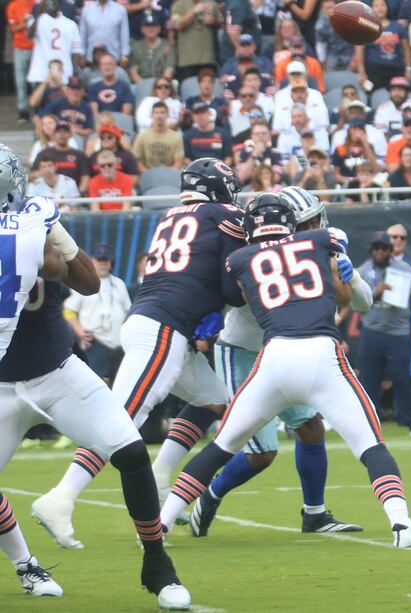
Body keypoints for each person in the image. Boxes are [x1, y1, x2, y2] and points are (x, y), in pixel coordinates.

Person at [159, 193, 411, 549]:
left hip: (274, 356)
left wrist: (348, 278)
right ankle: (401, 524)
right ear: (293, 222)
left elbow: (236, 284)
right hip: (304, 352)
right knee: (369, 444)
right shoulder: (325, 241)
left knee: (223, 445)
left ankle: (160, 525)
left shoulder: (241, 256)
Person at [0, 144, 189, 608]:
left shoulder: (32, 222)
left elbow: (88, 282)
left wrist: (57, 240)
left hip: (55, 372)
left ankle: (158, 566)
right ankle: (27, 564)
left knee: (129, 449)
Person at [31, 158, 248, 549]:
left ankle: (161, 475)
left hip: (154, 321)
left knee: (216, 400)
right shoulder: (225, 214)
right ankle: (62, 497)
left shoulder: (171, 215)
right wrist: (221, 305)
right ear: (219, 187)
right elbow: (232, 287)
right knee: (122, 418)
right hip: (163, 328)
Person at [190, 187, 369, 538]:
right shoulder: (251, 252)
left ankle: (314, 514)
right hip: (243, 350)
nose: (318, 226)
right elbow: (227, 292)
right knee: (262, 454)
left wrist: (352, 274)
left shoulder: (317, 251)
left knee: (311, 429)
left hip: (288, 353)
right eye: (310, 222)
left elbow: (364, 303)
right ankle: (208, 495)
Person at [357, 232, 411, 435]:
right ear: (372, 250)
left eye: (383, 248)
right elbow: (358, 303)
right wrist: (375, 292)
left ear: (390, 250)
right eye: (376, 248)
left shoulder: (403, 269)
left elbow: (404, 298)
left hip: (398, 330)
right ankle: (369, 424)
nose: (379, 251)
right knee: (369, 379)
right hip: (372, 330)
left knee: (401, 377)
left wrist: (387, 292)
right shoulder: (363, 270)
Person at [63, 243, 131, 383]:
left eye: (107, 260)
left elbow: (128, 311)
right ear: (92, 261)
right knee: (96, 383)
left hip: (118, 344)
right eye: (100, 260)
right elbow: (68, 311)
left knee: (119, 383)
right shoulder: (84, 283)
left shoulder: (119, 284)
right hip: (95, 343)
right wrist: (79, 331)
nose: (104, 264)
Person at [354, 0, 411, 91]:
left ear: (387, 7)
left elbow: (406, 49)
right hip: (374, 71)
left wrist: (409, 69)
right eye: (376, 6)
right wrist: (361, 73)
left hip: (396, 69)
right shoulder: (365, 27)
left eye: (382, 5)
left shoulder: (398, 27)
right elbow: (359, 51)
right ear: (371, 9)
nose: (379, 8)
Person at [26, 0, 83, 86]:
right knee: (41, 99)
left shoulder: (70, 23)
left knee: (62, 99)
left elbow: (75, 51)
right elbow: (29, 35)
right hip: (42, 72)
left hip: (64, 71)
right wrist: (39, 14)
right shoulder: (39, 20)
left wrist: (74, 71)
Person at [31, 120, 91, 195]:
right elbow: (32, 175)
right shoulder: (43, 153)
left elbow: (85, 177)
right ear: (53, 134)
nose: (62, 134)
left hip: (71, 195)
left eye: (65, 131)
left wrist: (79, 195)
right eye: (58, 132)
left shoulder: (80, 155)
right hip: (47, 194)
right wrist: (45, 172)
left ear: (70, 134)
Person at [171, 0, 223, 81]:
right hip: (187, 60)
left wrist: (214, 21)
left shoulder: (211, 3)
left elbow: (222, 23)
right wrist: (193, 11)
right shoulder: (179, 4)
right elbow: (178, 25)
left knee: (209, 88)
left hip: (207, 59)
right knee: (189, 88)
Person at [132, 102, 185, 170]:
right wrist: (147, 173)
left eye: (162, 112)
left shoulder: (176, 137)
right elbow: (136, 160)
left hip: (169, 176)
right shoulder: (142, 136)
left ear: (167, 115)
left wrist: (167, 175)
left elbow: (179, 162)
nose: (159, 115)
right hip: (147, 175)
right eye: (156, 112)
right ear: (152, 115)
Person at [6, 0, 35, 122]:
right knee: (20, 80)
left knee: (35, 80)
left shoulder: (36, 3)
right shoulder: (13, 5)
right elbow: (13, 28)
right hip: (20, 47)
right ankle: (23, 110)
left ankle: (35, 108)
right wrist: (24, 24)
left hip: (36, 47)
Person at [128, 12, 177, 83]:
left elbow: (169, 71)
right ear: (142, 29)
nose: (150, 29)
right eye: (147, 26)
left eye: (153, 26)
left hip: (163, 85)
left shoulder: (167, 45)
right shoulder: (136, 47)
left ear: (159, 28)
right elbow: (133, 72)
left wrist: (158, 86)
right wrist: (144, 86)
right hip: (141, 84)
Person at [87, 54, 135, 118]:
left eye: (109, 64)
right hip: (100, 124)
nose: (107, 67)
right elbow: (94, 114)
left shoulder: (124, 86)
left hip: (120, 124)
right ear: (100, 68)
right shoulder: (93, 88)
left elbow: (126, 114)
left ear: (115, 66)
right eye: (104, 65)